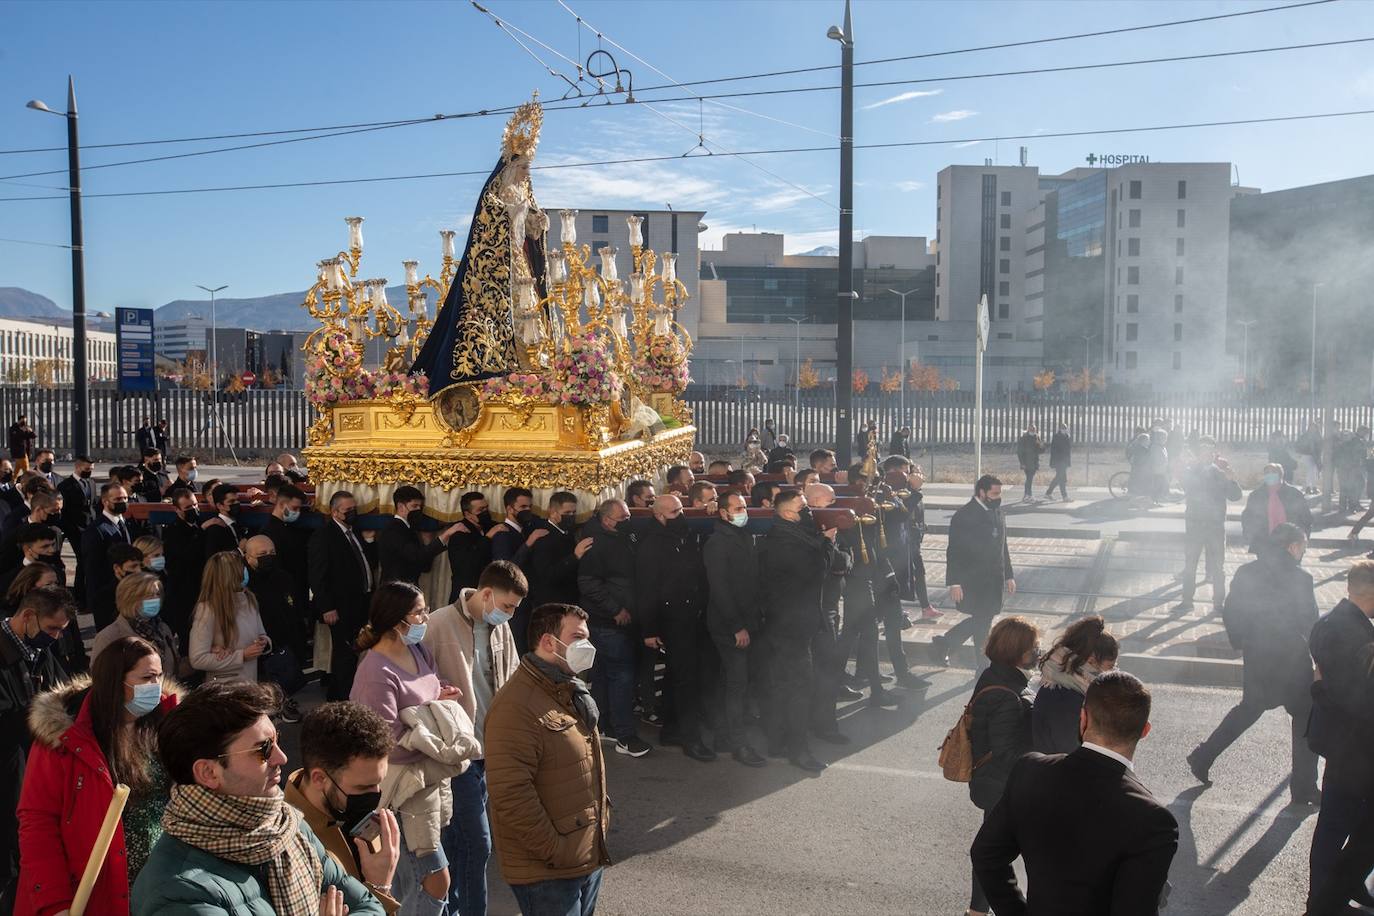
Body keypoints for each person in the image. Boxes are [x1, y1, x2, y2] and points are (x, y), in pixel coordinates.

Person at [131, 679, 384, 915]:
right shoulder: (179, 892)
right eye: (263, 749)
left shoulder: (285, 826)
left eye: (277, 740)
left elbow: (368, 905)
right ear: (208, 772)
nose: (281, 758)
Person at [971, 670, 1179, 916]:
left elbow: (985, 853)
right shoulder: (1153, 820)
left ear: (1082, 718)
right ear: (1145, 731)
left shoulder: (1031, 770)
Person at [17, 635, 179, 916]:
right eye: (147, 678)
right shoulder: (63, 738)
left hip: (157, 888)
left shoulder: (165, 724)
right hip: (94, 894)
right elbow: (38, 823)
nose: (158, 688)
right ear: (116, 681)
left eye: (160, 676)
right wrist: (56, 903)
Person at [350, 580, 474, 916]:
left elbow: (431, 689)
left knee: (418, 880)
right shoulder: (375, 671)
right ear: (395, 620)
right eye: (419, 612)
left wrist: (441, 698)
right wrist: (436, 730)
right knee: (432, 880)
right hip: (400, 793)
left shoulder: (418, 650)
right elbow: (386, 741)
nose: (426, 618)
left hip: (429, 785)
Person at [484, 602, 611, 916]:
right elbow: (510, 794)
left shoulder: (567, 690)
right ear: (549, 642)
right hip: (550, 872)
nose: (587, 645)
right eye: (578, 636)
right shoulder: (516, 706)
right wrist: (558, 851)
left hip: (584, 856)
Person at [1183, 523, 1318, 804]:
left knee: (1248, 710)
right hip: (1293, 659)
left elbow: (1231, 611)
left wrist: (1244, 641)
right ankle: (1304, 787)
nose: (1303, 552)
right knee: (1305, 718)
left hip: (1258, 656)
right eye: (1302, 547)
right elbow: (1311, 622)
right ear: (1292, 547)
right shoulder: (1301, 578)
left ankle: (1203, 756)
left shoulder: (1247, 572)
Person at [424, 561, 524, 916]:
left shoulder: (501, 629)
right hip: (456, 753)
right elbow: (415, 684)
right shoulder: (438, 623)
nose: (510, 615)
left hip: (488, 752)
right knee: (477, 844)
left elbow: (509, 680)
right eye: (507, 606)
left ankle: (446, 909)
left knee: (458, 840)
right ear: (486, 594)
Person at [286, 702, 402, 913]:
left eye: (379, 783)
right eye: (363, 787)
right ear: (320, 778)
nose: (375, 795)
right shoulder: (289, 840)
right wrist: (379, 888)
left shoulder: (351, 810)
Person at [1305, 558, 1374, 910]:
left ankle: (1346, 885)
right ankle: (1321, 899)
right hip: (1355, 749)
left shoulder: (1331, 621)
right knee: (1335, 827)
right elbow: (1353, 698)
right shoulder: (1355, 634)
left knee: (1351, 824)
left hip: (1345, 746)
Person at [0, 585, 73, 909]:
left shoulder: (39, 650)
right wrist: (45, 718)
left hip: (31, 767)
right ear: (28, 616)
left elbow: (63, 692)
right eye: (52, 628)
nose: (56, 637)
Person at [963, 616, 1039, 916]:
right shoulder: (1007, 695)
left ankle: (977, 911)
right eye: (1033, 648)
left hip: (993, 782)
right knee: (995, 852)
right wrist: (1039, 761)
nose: (1037, 652)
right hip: (1002, 786)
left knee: (991, 850)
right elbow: (1006, 751)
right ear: (1016, 652)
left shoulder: (993, 675)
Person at [760, 489, 836, 773]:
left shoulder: (790, 535)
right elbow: (815, 572)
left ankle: (777, 740)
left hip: (787, 622)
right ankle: (798, 749)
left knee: (782, 684)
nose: (807, 511)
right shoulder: (785, 543)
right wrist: (827, 544)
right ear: (787, 514)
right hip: (791, 625)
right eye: (802, 507)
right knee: (799, 688)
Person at [636, 493, 714, 762]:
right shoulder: (651, 546)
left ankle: (671, 729)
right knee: (686, 679)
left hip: (689, 614)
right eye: (674, 513)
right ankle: (691, 738)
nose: (680, 516)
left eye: (681, 510)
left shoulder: (681, 535)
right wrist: (649, 630)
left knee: (675, 675)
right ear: (659, 515)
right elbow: (646, 591)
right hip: (672, 619)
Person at [576, 499, 650, 757]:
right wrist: (615, 609)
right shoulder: (596, 546)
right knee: (621, 677)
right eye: (623, 517)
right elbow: (588, 584)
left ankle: (604, 724)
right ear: (607, 520)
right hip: (607, 622)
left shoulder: (620, 536)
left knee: (607, 675)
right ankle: (624, 736)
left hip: (614, 621)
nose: (628, 521)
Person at [703, 490, 766, 767]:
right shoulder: (718, 543)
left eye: (744, 506)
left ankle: (723, 735)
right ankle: (738, 743)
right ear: (724, 512)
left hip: (745, 620)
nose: (743, 511)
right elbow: (721, 589)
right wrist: (737, 627)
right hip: (729, 625)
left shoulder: (743, 535)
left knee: (731, 681)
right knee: (736, 684)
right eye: (737, 508)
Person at [935, 475, 1016, 672]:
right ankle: (982, 665)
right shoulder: (964, 515)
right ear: (982, 492)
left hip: (994, 578)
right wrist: (954, 582)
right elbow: (953, 551)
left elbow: (1002, 545)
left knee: (983, 620)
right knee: (982, 619)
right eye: (994, 493)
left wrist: (1009, 575)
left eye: (1000, 493)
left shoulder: (998, 512)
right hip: (973, 579)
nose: (998, 497)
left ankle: (945, 643)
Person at [310, 490, 377, 700]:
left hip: (359, 602)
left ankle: (340, 694)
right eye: (348, 510)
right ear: (335, 512)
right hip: (340, 605)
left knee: (352, 652)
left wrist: (371, 542)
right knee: (344, 654)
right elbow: (317, 575)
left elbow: (364, 562)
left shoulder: (353, 531)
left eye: (354, 509)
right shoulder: (324, 535)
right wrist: (326, 607)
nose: (353, 513)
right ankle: (342, 699)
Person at [1031, 615, 1118, 755]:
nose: (1113, 672)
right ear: (1091, 662)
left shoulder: (1063, 683)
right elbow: (1072, 755)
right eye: (1110, 666)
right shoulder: (1068, 700)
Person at [245, 534, 307, 723]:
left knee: (286, 677)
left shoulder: (284, 577)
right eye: (262, 554)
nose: (268, 556)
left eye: (272, 552)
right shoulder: (246, 584)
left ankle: (284, 703)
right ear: (248, 558)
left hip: (286, 638)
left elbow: (293, 607)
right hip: (258, 641)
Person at [1177, 438, 1242, 612]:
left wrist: (1231, 480)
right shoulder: (1191, 471)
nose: (1206, 456)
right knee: (1190, 565)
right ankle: (1187, 601)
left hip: (1215, 527)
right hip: (1195, 526)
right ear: (1198, 455)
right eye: (1203, 452)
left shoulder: (1221, 473)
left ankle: (1218, 603)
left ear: (1214, 455)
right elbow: (1186, 487)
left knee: (1217, 568)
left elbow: (1235, 496)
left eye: (1209, 452)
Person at [523, 492, 593, 652]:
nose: (571, 517)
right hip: (552, 607)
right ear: (553, 512)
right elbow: (547, 575)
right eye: (567, 513)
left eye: (574, 513)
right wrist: (575, 556)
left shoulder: (567, 534)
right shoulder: (544, 537)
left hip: (567, 604)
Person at [189, 551, 269, 684]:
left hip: (251, 683)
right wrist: (241, 656)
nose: (246, 571)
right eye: (242, 568)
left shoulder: (249, 600)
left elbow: (261, 633)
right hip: (225, 688)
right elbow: (198, 659)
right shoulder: (208, 609)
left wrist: (263, 642)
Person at [91, 571, 181, 678]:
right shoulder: (108, 637)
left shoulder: (163, 629)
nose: (155, 599)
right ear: (130, 598)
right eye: (148, 595)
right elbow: (100, 678)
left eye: (157, 594)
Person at [378, 485, 462, 585]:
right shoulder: (393, 530)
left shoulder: (411, 529)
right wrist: (446, 535)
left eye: (420, 507)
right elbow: (417, 556)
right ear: (401, 507)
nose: (418, 510)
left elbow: (423, 565)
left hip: (408, 589)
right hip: (395, 592)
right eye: (414, 506)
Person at [161, 487, 206, 647]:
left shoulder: (199, 523)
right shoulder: (173, 532)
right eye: (188, 508)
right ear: (177, 509)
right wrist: (201, 534)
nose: (193, 509)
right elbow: (184, 558)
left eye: (195, 505)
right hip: (184, 592)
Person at [1240, 462, 1312, 553]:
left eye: (1273, 472)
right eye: (1267, 473)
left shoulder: (1294, 494)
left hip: (1291, 544)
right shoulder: (1256, 495)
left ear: (1281, 475)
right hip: (1265, 544)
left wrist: (1302, 540)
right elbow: (1248, 518)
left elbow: (1306, 519)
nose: (1270, 475)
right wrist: (1251, 537)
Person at [447, 491, 494, 601]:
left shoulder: (490, 526)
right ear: (468, 514)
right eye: (480, 510)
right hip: (466, 595)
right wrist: (487, 538)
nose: (485, 512)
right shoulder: (459, 534)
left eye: (486, 508)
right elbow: (466, 566)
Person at [91, 542, 146, 632]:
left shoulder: (144, 590)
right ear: (117, 568)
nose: (138, 571)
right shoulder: (104, 597)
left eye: (140, 566)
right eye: (133, 566)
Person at [490, 487, 541, 566]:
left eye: (530, 507)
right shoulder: (502, 534)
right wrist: (528, 543)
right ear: (510, 509)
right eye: (523, 507)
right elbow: (505, 568)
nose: (528, 510)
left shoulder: (527, 527)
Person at [56, 455, 95, 559]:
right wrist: (69, 528)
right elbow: (63, 509)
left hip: (90, 527)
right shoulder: (65, 486)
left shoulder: (91, 482)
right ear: (77, 466)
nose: (89, 472)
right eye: (87, 469)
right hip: (75, 529)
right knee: (82, 558)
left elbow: (93, 504)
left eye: (91, 469)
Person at [202, 483, 244, 558]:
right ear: (220, 506)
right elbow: (214, 559)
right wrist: (240, 550)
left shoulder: (239, 521)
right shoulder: (215, 529)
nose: (237, 503)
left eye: (238, 500)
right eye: (231, 501)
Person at [1044, 421, 1072, 502]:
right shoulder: (1057, 437)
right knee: (1061, 478)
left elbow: (1068, 451)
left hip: (1064, 462)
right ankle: (1064, 496)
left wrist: (1067, 462)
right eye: (1063, 428)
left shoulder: (1066, 436)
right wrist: (1055, 462)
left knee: (1059, 478)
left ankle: (1048, 493)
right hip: (1059, 462)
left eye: (1065, 428)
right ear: (1059, 429)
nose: (1064, 429)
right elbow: (1054, 450)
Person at [1016, 424, 1044, 502]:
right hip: (1027, 462)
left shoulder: (1037, 437)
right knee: (1029, 478)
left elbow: (1039, 451)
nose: (1032, 431)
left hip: (1034, 461)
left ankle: (1027, 495)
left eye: (1034, 429)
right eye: (1031, 429)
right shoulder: (1024, 438)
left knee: (1029, 478)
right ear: (1028, 429)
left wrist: (1042, 446)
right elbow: (1019, 452)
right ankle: (1028, 495)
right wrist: (1022, 463)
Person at [1295, 419, 1324, 495]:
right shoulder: (1305, 436)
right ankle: (1309, 487)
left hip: (1315, 456)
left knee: (1314, 471)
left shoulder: (1318, 436)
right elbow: (1298, 445)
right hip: (1306, 455)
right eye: (1311, 427)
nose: (1312, 429)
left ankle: (1313, 487)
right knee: (1310, 470)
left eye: (1314, 427)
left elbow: (1321, 446)